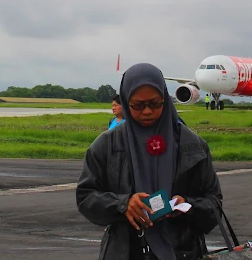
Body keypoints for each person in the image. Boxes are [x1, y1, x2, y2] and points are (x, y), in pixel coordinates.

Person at [76, 62, 223, 259]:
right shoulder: (107, 145)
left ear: (165, 100)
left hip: (183, 250)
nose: (147, 111)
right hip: (125, 250)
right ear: (126, 102)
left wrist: (187, 206)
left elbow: (214, 202)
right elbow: (86, 197)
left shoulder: (193, 145)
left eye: (155, 104)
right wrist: (123, 204)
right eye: (138, 105)